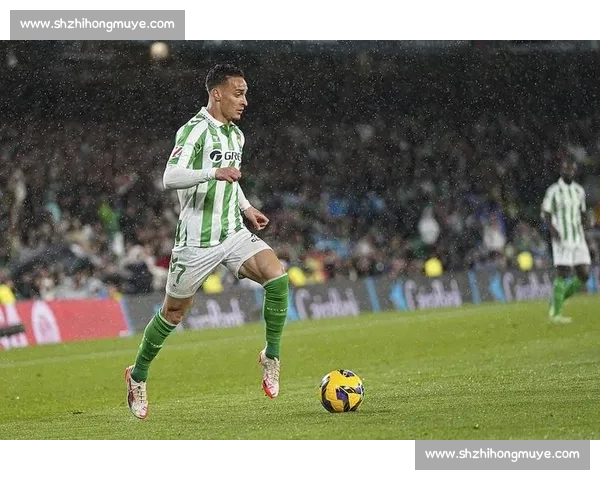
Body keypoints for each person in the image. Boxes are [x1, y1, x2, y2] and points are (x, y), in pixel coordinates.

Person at [125, 64, 289, 419]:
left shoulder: (236, 135)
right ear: (217, 93)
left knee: (276, 277)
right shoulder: (194, 130)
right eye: (238, 93)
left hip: (232, 231)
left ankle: (271, 356)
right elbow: (170, 177)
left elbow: (232, 179)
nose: (244, 101)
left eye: (245, 94)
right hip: (196, 241)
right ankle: (137, 375)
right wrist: (213, 172)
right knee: (173, 313)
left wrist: (246, 207)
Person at [541, 157, 591, 324]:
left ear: (575, 171)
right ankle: (556, 314)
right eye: (566, 168)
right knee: (563, 272)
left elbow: (582, 212)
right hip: (562, 236)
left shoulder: (579, 190)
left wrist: (586, 222)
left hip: (578, 236)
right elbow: (546, 213)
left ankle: (558, 299)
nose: (569, 171)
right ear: (561, 170)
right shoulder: (553, 191)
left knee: (584, 274)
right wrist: (552, 230)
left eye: (571, 169)